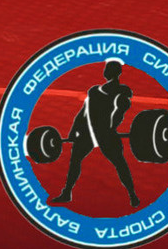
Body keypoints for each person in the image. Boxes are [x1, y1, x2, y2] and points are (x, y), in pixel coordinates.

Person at [56, 60, 140, 208]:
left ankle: (132, 195)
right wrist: (73, 131)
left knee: (119, 164)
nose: (105, 71)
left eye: (107, 69)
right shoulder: (94, 90)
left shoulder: (121, 92)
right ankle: (67, 192)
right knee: (76, 159)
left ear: (112, 72)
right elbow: (84, 112)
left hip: (104, 133)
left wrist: (109, 128)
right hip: (91, 132)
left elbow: (119, 113)